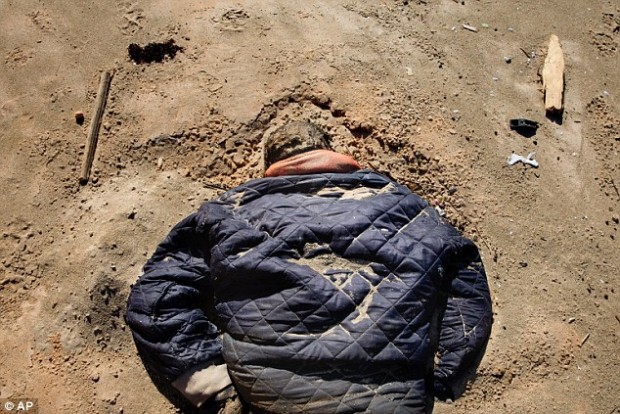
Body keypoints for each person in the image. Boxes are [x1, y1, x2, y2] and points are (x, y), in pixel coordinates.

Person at [126, 121, 493, 414]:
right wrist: (449, 372)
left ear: (270, 166)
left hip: (270, 396)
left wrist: (213, 387)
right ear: (331, 152)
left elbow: (156, 295)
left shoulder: (229, 213)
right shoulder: (410, 207)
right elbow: (466, 277)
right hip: (396, 396)